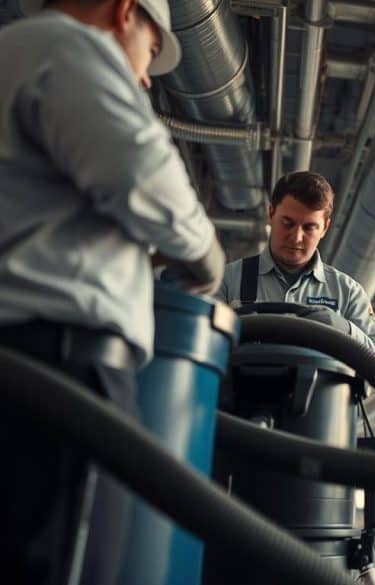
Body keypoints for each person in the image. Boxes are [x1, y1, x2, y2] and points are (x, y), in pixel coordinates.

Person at [0, 0, 223, 583]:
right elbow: (152, 185)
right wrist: (205, 257)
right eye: (151, 52)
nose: (147, 76)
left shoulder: (13, 55)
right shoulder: (69, 48)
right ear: (126, 12)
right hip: (61, 375)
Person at [216, 171, 375, 365]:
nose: (296, 237)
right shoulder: (228, 280)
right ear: (271, 214)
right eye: (287, 223)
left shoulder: (347, 292)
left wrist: (344, 329)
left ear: (325, 227)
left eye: (309, 227)